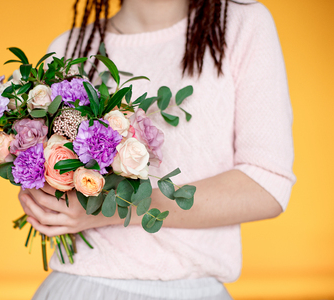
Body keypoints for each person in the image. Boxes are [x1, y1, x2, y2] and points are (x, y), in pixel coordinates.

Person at [18, 0, 296, 299]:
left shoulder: (240, 25)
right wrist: (45, 200)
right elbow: (46, 179)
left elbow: (265, 186)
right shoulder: (68, 49)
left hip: (190, 290)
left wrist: (108, 210)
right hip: (77, 286)